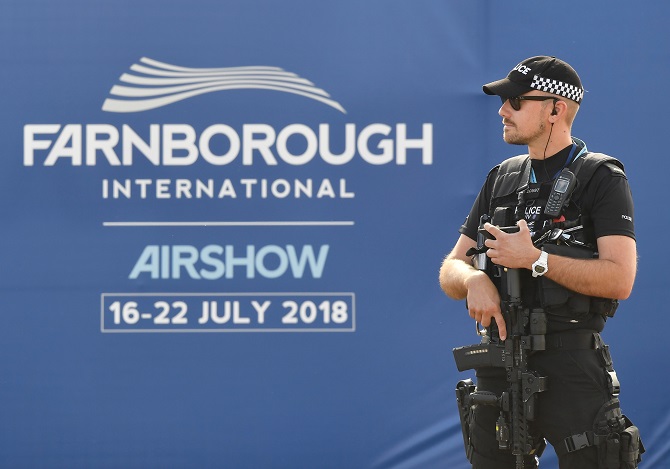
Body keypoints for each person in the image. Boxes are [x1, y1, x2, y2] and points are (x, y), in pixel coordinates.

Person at [439, 56, 643, 468]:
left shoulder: (601, 176)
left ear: (556, 109)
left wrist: (536, 260)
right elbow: (450, 270)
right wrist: (474, 280)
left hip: (570, 361)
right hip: (501, 360)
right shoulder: (502, 177)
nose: (503, 110)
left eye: (515, 101)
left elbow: (620, 279)